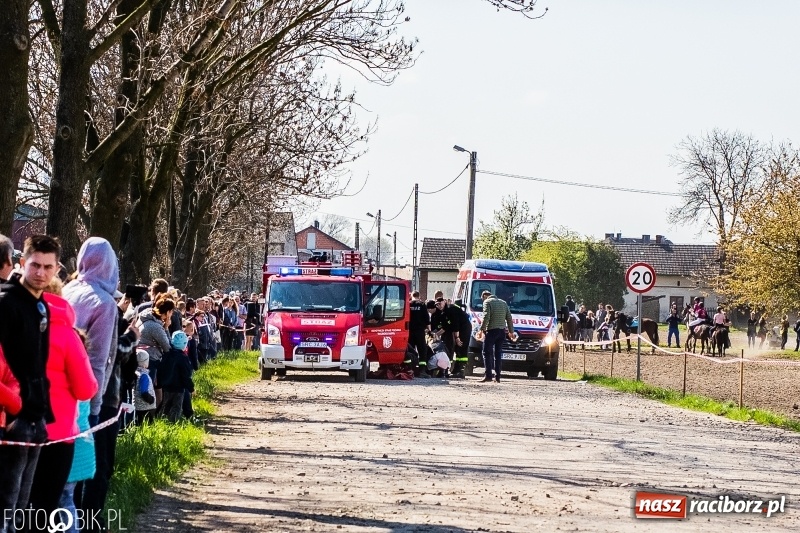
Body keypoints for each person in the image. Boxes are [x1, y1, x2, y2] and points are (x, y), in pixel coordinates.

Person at [0, 235, 60, 530]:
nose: (40, 273)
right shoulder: (5, 302)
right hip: (9, 418)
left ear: (57, 269)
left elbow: (39, 364)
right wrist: (14, 405)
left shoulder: (42, 307)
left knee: (22, 506)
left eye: (48, 267)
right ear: (22, 263)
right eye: (35, 265)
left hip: (35, 417)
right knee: (5, 505)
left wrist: (40, 409)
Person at [27, 280, 99, 521]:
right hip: (57, 435)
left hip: (16, 431)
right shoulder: (67, 335)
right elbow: (86, 388)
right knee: (47, 508)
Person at [158, 331, 195, 422]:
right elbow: (186, 375)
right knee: (176, 407)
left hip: (166, 386)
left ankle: (162, 422)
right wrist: (191, 388)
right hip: (179, 388)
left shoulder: (166, 354)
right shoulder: (183, 358)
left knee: (165, 406)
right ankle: (173, 423)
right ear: (184, 344)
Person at [479, 290, 514, 383]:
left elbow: (486, 316)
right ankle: (498, 377)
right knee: (498, 354)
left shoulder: (487, 302)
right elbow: (509, 318)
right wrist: (511, 332)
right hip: (502, 332)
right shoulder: (503, 303)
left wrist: (482, 329)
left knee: (486, 352)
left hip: (491, 331)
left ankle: (488, 375)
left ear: (484, 297)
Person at [408, 291, 430, 377]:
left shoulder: (409, 304)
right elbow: (427, 319)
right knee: (422, 350)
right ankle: (422, 371)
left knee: (411, 351)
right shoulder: (422, 304)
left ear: (411, 296)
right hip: (420, 332)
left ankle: (410, 369)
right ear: (419, 296)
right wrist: (428, 329)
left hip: (410, 331)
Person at [451, 299, 473, 379]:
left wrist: (457, 338)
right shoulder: (455, 310)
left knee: (462, 348)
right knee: (458, 349)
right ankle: (456, 370)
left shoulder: (452, 311)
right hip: (464, 328)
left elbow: (456, 325)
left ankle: (461, 371)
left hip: (464, 330)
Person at [133, 350, 156, 423]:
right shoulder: (144, 376)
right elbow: (144, 391)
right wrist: (151, 399)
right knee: (147, 425)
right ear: (145, 363)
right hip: (146, 407)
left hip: (137, 406)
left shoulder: (134, 373)